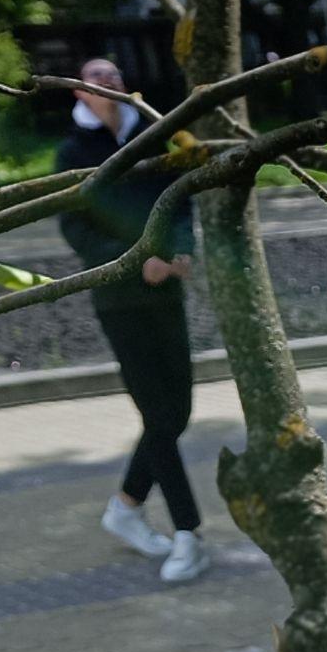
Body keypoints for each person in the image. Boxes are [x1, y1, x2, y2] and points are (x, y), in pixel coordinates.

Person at [56, 58, 209, 586]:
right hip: (119, 300)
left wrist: (182, 250)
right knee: (159, 416)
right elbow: (76, 232)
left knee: (178, 411)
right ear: (80, 94)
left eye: (115, 76)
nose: (110, 84)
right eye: (97, 80)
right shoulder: (73, 155)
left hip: (166, 290)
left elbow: (182, 199)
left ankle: (125, 506)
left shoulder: (154, 136)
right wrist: (133, 260)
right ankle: (189, 532)